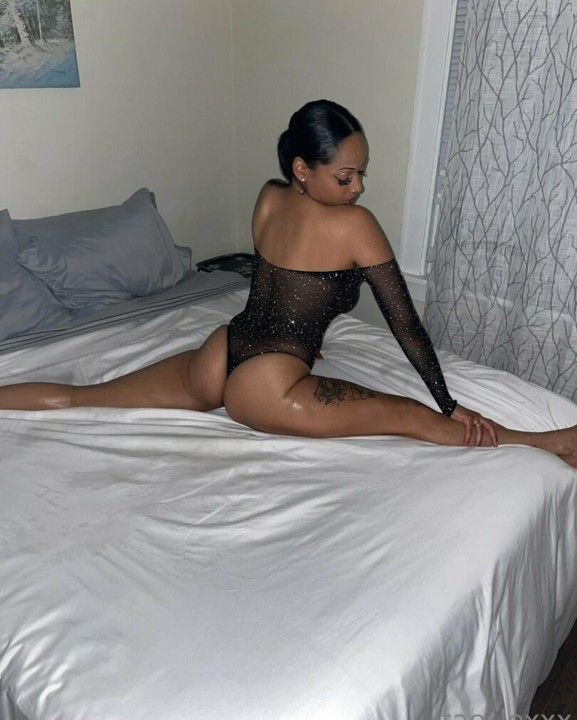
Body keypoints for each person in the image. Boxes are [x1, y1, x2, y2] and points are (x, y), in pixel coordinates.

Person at [2, 99, 577, 466]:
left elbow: (277, 286)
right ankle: (548, 443)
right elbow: (404, 322)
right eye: (345, 176)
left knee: (82, 398)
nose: (357, 188)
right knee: (411, 414)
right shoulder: (356, 225)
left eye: (361, 174)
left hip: (223, 351)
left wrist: (304, 332)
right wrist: (447, 403)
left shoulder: (269, 197)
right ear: (303, 168)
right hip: (268, 383)